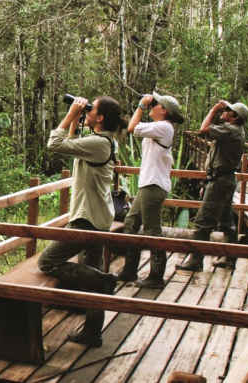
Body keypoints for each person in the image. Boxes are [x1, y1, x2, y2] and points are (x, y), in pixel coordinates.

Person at [39, 95, 123, 347]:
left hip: (86, 220)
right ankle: (92, 332)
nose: (87, 111)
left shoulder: (99, 143)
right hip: (99, 217)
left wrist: (69, 115)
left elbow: (55, 143)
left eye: (91, 109)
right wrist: (77, 116)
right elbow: (74, 143)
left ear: (100, 118)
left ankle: (103, 279)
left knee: (48, 262)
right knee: (90, 276)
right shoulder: (104, 141)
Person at [117, 92, 184, 288]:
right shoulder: (159, 127)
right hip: (148, 185)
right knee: (130, 223)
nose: (152, 106)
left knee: (152, 230)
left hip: (154, 186)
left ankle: (156, 275)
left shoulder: (163, 127)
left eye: (155, 104)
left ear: (163, 110)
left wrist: (141, 106)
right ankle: (129, 270)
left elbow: (132, 128)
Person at [176, 100, 248, 271]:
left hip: (220, 182)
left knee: (202, 222)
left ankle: (195, 260)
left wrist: (213, 109)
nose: (224, 112)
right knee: (226, 222)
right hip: (224, 180)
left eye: (228, 110)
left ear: (234, 117)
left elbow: (203, 130)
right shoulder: (234, 130)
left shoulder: (230, 130)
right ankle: (230, 257)